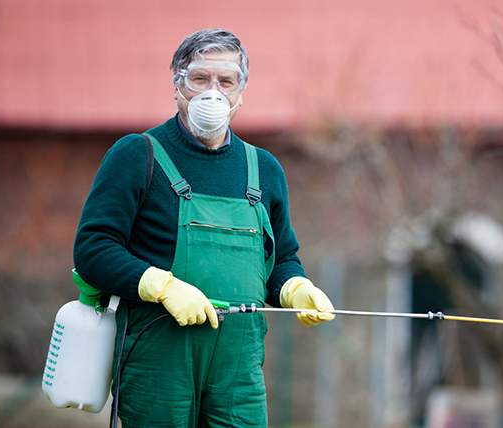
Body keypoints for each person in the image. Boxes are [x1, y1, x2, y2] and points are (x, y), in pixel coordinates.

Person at [73, 28, 335, 428]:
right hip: (158, 364)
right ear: (177, 84)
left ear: (241, 93)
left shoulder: (264, 169)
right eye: (199, 79)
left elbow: (280, 259)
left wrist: (296, 288)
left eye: (226, 81)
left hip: (239, 373)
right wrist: (161, 286)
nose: (213, 92)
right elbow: (93, 249)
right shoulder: (137, 155)